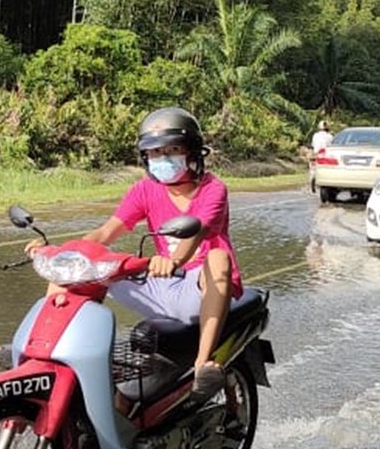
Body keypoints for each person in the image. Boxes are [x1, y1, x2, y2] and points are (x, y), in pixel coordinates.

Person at [26, 107, 241, 402]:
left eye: (173, 150)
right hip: (160, 282)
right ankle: (39, 353)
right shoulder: (144, 190)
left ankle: (203, 363)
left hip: (199, 286)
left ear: (193, 152)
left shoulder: (213, 189)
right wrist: (63, 253)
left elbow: (196, 232)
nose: (163, 159)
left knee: (218, 258)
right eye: (154, 153)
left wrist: (175, 261)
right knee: (82, 266)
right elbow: (106, 233)